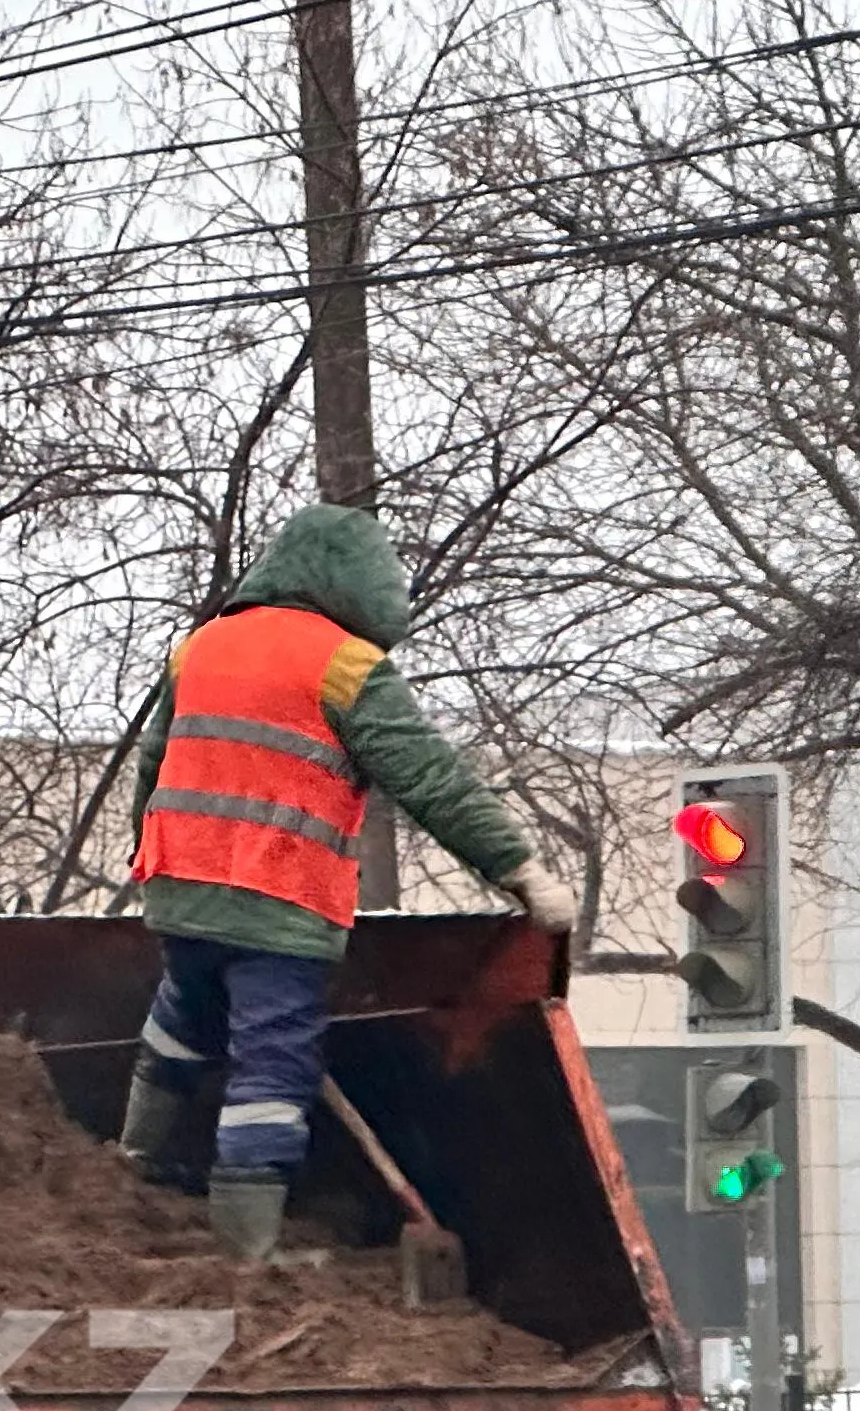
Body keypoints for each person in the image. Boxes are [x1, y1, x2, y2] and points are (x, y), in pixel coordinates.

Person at [116, 505, 563, 1264]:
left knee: (186, 1011)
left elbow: (153, 767)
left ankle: (125, 1164)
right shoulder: (343, 665)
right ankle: (245, 1250)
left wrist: (154, 860)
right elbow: (430, 778)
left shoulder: (201, 648)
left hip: (182, 889)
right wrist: (517, 868)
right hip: (278, 900)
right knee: (272, 1059)